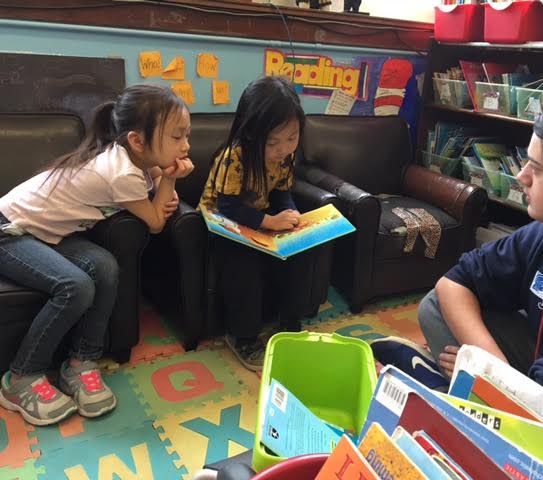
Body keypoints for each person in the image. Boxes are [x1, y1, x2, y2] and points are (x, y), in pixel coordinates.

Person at [371, 95, 543, 434]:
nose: (522, 177)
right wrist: (494, 371)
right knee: (437, 306)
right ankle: (472, 395)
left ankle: (462, 398)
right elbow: (454, 284)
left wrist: (485, 380)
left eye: (537, 169)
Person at [0, 84, 194, 426]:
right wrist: (170, 181)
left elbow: (154, 202)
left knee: (105, 266)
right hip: (10, 230)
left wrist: (163, 183)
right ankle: (20, 378)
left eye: (186, 136)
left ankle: (80, 363)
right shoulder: (122, 173)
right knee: (76, 286)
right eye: (177, 137)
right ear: (137, 140)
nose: (186, 146)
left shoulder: (134, 161)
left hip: (47, 233)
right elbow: (154, 223)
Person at [198, 76, 315, 371]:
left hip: (260, 222)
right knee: (243, 264)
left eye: (292, 138)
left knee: (299, 251)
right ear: (251, 134)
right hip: (222, 224)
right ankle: (244, 336)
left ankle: (290, 323)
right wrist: (271, 221)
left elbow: (281, 191)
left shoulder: (285, 156)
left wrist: (290, 214)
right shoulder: (234, 156)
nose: (283, 148)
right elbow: (228, 206)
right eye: (273, 142)